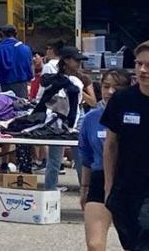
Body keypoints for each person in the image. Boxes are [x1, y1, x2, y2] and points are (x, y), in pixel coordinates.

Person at [102, 40, 149, 251]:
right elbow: (111, 145)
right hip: (126, 182)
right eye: (138, 64)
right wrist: (108, 185)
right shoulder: (122, 100)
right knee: (132, 241)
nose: (142, 70)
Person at [79, 69, 130, 251]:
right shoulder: (90, 119)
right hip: (99, 177)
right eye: (106, 86)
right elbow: (86, 156)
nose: (110, 92)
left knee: (133, 243)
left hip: (129, 179)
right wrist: (84, 188)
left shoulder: (134, 116)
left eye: (117, 88)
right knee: (94, 244)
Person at [36, 46, 87, 190]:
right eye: (76, 60)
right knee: (57, 161)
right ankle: (51, 192)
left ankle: (84, 192)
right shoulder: (61, 81)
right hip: (61, 124)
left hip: (69, 123)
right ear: (66, 61)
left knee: (78, 160)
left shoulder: (75, 80)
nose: (78, 63)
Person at [0, 24, 33, 98]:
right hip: (21, 87)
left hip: (2, 87)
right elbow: (29, 69)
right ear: (16, 34)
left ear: (1, 35)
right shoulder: (26, 49)